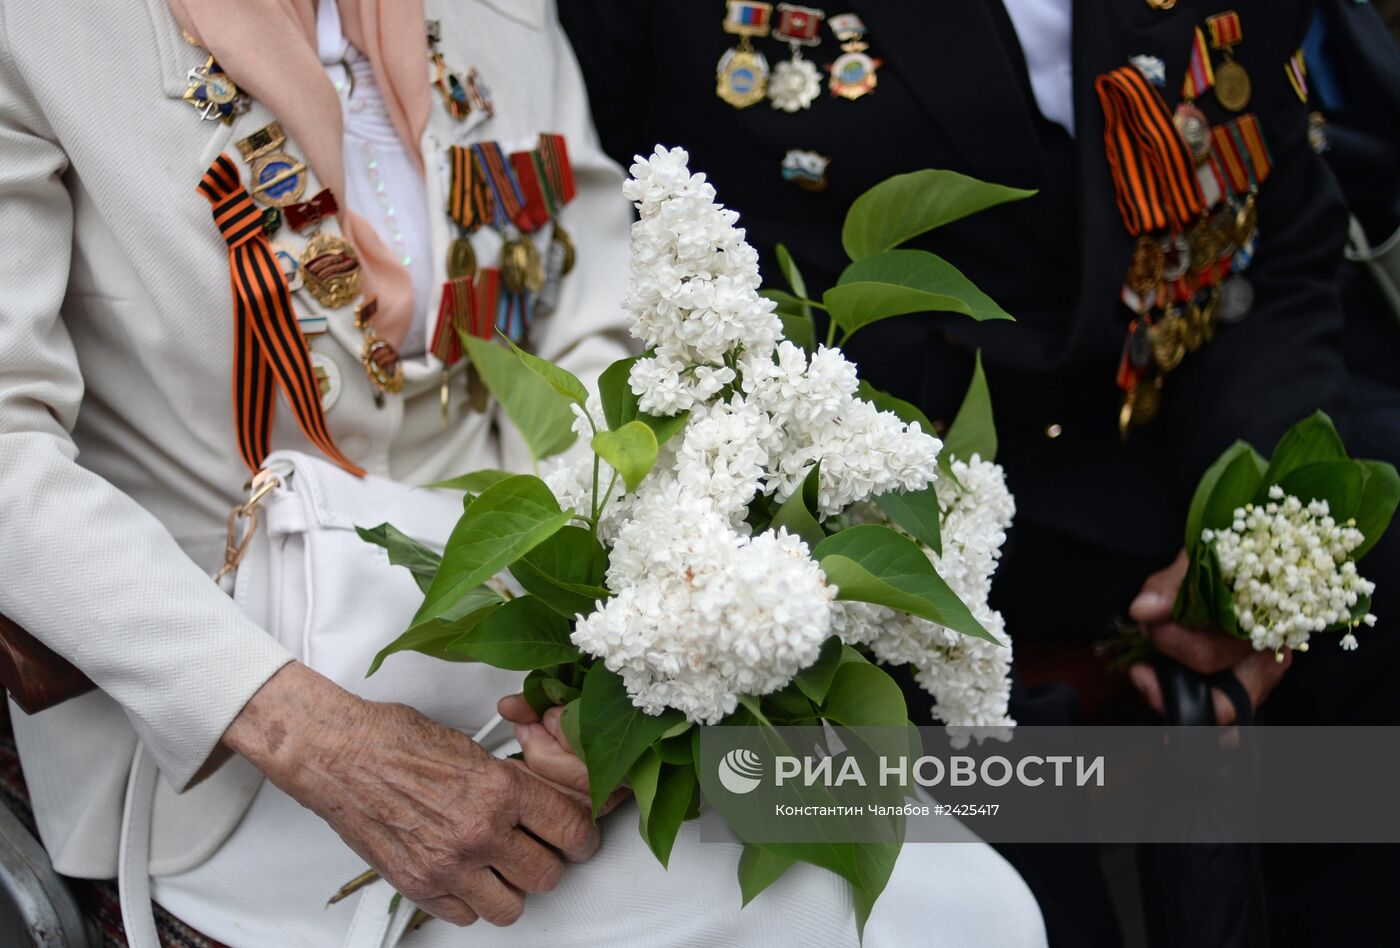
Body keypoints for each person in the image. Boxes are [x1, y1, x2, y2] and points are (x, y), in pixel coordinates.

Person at [0, 0, 1046, 944]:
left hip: (530, 678)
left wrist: (607, 655)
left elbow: (593, 329)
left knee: (960, 904)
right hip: (236, 753)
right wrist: (312, 736)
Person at [559, 0, 1366, 944]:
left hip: (1158, 463)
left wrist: (1257, 550)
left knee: (1359, 763)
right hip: (850, 551)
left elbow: (1277, 245)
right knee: (994, 913)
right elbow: (604, 260)